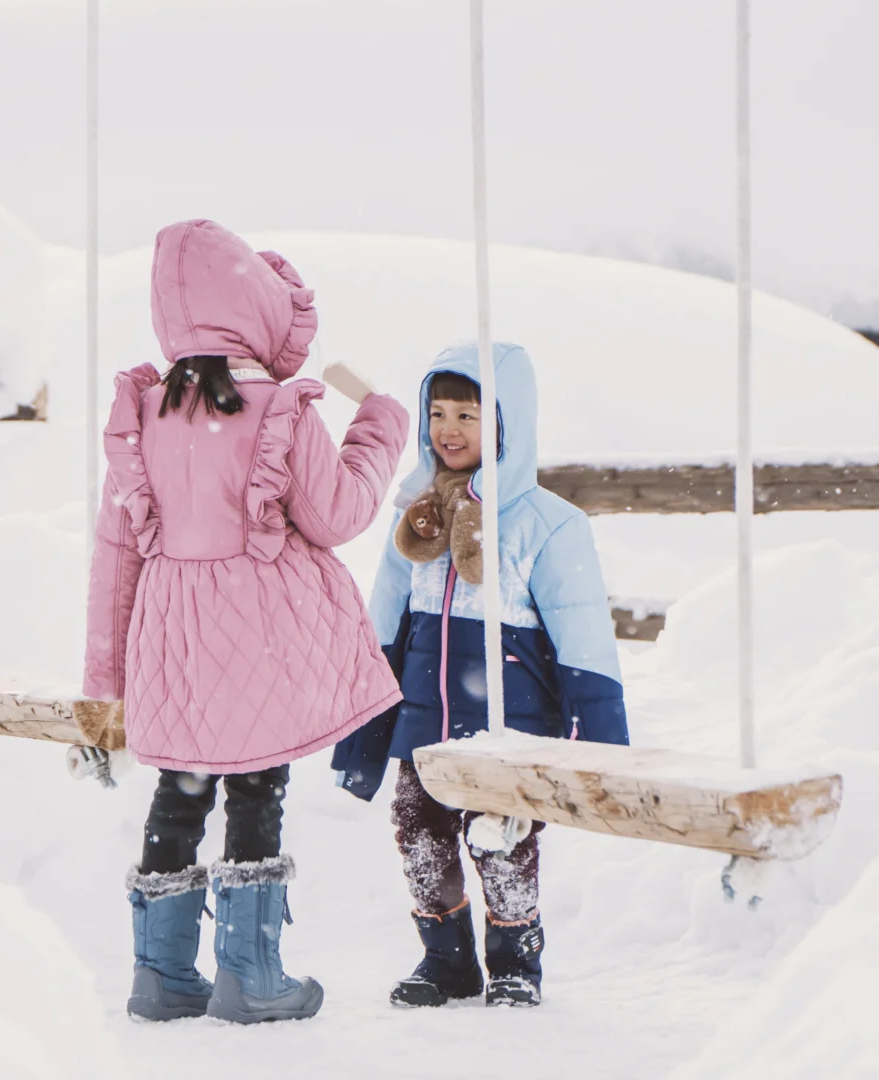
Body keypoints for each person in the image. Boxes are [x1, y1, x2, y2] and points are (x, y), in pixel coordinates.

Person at [83, 219, 409, 1024]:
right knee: (256, 784)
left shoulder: (143, 415)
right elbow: (336, 514)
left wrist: (104, 680)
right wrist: (380, 424)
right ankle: (249, 974)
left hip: (170, 634)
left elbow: (114, 553)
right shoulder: (280, 409)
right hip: (258, 633)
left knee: (181, 786)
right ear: (256, 311)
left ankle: (159, 973)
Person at [331, 341, 629, 1009]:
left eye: (469, 414)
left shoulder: (546, 525)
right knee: (417, 831)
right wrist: (364, 725)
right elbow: (384, 621)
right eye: (438, 413)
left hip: (506, 726)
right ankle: (447, 961)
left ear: (506, 423)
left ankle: (515, 961)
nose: (449, 429)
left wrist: (600, 745)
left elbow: (584, 638)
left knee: (502, 840)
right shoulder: (416, 520)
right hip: (424, 722)